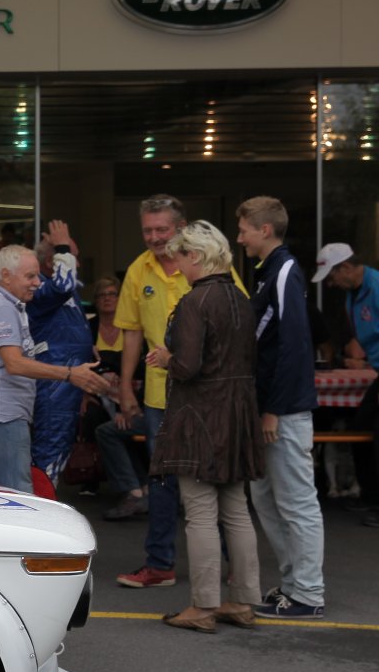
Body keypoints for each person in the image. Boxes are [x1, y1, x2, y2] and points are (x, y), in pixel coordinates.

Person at [114, 197, 244, 589]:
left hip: (204, 395)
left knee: (213, 478)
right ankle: (160, 565)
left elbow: (237, 322)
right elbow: (131, 332)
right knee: (162, 481)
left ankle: (234, 567)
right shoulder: (139, 269)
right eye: (147, 230)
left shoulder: (212, 268)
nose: (154, 237)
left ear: (181, 227)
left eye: (162, 229)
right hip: (159, 396)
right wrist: (126, 387)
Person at [145, 221, 265, 633]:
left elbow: (188, 366)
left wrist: (166, 358)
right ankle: (243, 600)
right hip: (238, 411)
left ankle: (204, 606)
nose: (176, 265)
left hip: (200, 414)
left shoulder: (196, 301)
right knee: (236, 510)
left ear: (195, 256)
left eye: (179, 257)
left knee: (199, 512)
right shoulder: (240, 298)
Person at [236, 197, 325, 618]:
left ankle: (307, 593)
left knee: (295, 502)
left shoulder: (284, 270)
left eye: (244, 230)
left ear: (265, 230)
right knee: (268, 500)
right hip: (271, 408)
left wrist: (272, 409)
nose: (240, 238)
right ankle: (293, 586)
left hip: (283, 411)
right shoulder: (270, 271)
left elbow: (293, 345)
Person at [0, 245, 110, 492]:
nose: (37, 283)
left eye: (37, 276)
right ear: (6, 275)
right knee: (19, 494)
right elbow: (14, 363)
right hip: (4, 414)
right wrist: (70, 374)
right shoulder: (3, 308)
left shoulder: (3, 304)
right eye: (30, 276)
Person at [312, 241, 379, 527]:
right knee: (359, 427)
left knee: (376, 430)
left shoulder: (376, 287)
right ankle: (370, 495)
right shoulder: (354, 293)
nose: (331, 284)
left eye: (332, 277)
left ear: (347, 267)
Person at [26, 220, 95, 485]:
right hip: (54, 383)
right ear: (52, 262)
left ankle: (46, 499)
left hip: (70, 381)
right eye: (70, 258)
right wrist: (63, 247)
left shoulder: (67, 288)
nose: (76, 263)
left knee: (60, 446)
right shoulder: (40, 289)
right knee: (49, 449)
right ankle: (40, 504)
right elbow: (62, 286)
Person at [88, 276, 150, 512]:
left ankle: (134, 489)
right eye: (102, 295)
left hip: (135, 395)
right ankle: (135, 486)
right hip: (99, 394)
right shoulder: (89, 328)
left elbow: (142, 369)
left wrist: (127, 404)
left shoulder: (133, 327)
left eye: (112, 294)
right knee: (94, 417)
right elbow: (84, 364)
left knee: (117, 429)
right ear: (95, 301)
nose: (107, 299)